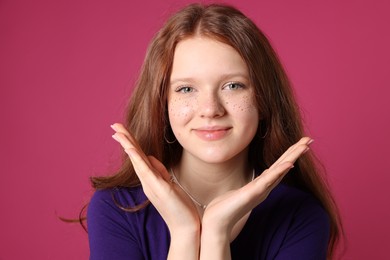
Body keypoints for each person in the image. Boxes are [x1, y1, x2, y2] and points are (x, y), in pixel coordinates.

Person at [87, 3, 343, 260]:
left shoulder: (300, 217)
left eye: (233, 85)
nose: (210, 110)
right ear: (162, 104)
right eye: (186, 89)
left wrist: (216, 234)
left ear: (264, 100)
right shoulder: (116, 208)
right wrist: (184, 232)